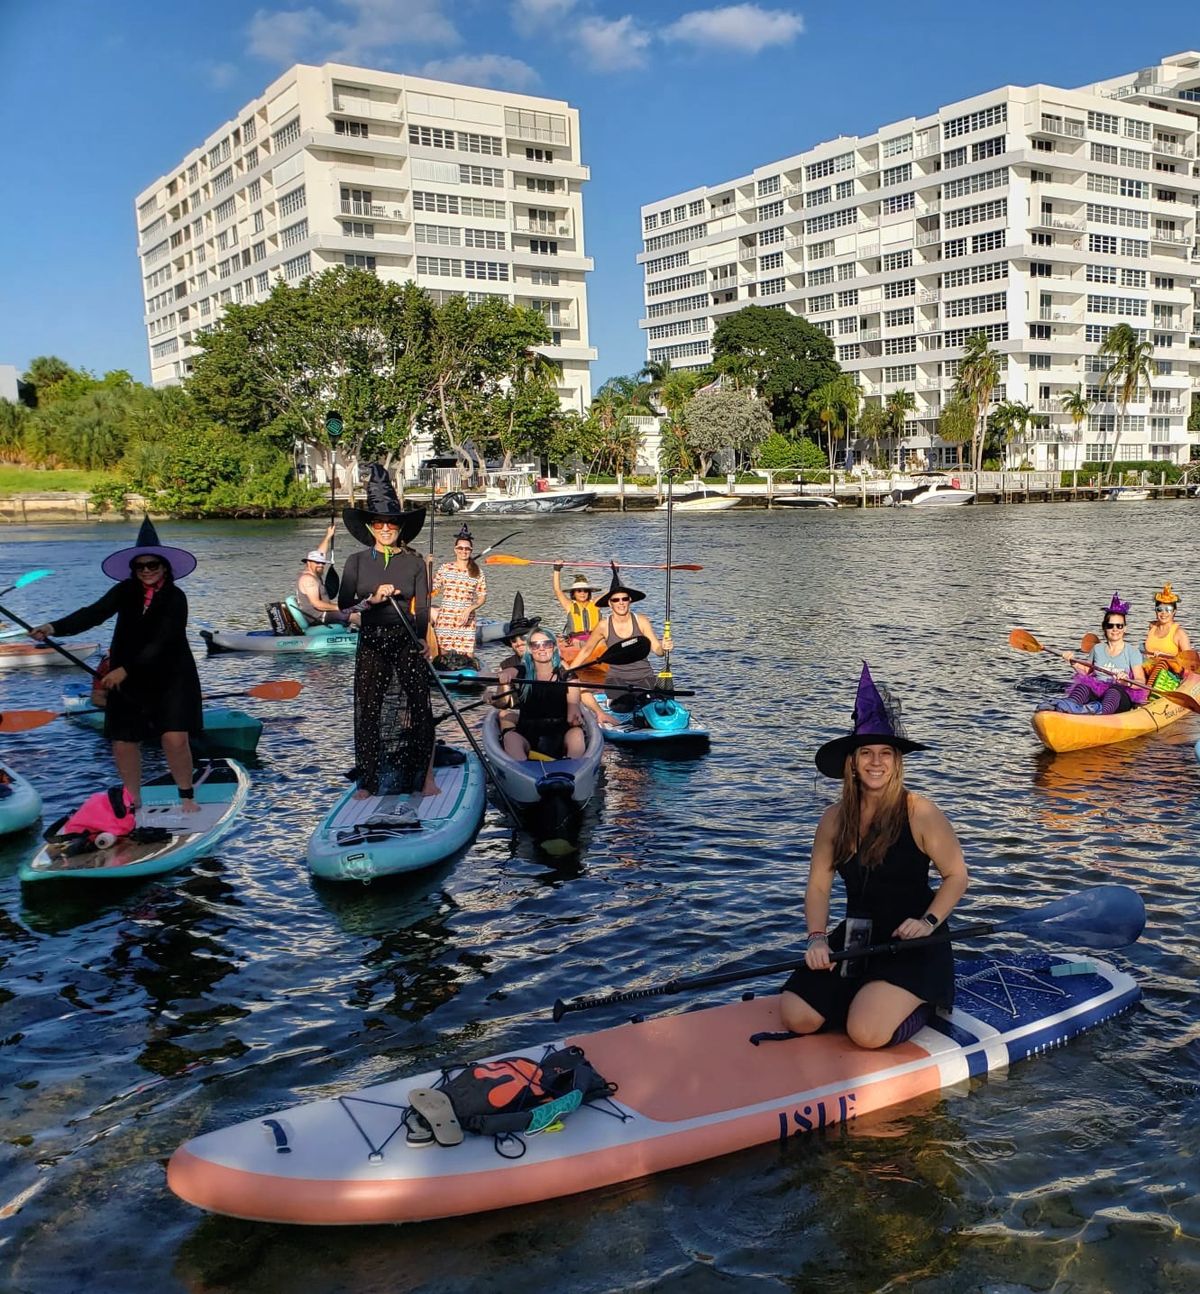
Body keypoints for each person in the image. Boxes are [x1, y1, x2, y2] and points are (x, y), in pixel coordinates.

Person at [779, 663, 969, 1050]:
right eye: (867, 752)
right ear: (852, 761)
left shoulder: (920, 812)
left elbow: (957, 875)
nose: (876, 762)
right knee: (796, 1015)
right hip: (857, 938)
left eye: (886, 753)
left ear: (897, 761)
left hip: (913, 941)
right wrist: (817, 939)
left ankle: (924, 1005)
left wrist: (928, 921)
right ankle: (863, 996)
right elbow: (818, 885)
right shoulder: (833, 819)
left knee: (864, 1034)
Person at [29, 517, 203, 816]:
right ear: (134, 569)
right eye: (141, 566)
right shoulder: (124, 591)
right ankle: (133, 799)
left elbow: (164, 639)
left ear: (165, 567)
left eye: (153, 565)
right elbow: (93, 614)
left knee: (174, 738)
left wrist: (126, 669)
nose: (147, 571)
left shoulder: (176, 598)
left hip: (171, 675)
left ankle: (186, 796)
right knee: (123, 740)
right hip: (127, 677)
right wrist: (53, 627)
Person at [337, 465, 436, 801]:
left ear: (400, 526)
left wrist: (423, 639)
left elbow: (421, 607)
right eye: (378, 523)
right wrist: (372, 600)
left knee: (419, 708)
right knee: (369, 710)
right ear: (369, 527)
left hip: (407, 641)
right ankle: (368, 780)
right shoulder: (355, 562)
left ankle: (424, 778)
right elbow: (344, 611)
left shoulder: (414, 562)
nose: (385, 528)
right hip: (372, 642)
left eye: (391, 523)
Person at [575, 564, 672, 726]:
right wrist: (567, 673)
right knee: (625, 706)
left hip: (644, 678)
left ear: (630, 600)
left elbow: (657, 649)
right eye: (616, 600)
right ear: (610, 604)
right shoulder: (604, 626)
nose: (621, 603)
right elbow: (585, 651)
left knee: (648, 705)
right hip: (617, 680)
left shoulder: (641, 620)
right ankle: (611, 704)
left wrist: (664, 647)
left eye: (624, 599)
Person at [498, 630, 586, 761]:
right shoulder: (521, 672)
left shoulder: (568, 676)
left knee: (577, 733)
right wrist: (505, 675)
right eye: (535, 645)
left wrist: (575, 718)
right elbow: (509, 671)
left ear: (554, 647)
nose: (541, 649)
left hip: (560, 736)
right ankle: (523, 770)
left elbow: (572, 711)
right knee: (510, 737)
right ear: (530, 650)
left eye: (546, 644)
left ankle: (573, 767)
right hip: (527, 736)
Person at [1056, 594, 1148, 715]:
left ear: (1125, 628)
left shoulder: (1132, 651)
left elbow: (1141, 681)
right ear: (1104, 628)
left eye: (1119, 626)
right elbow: (1086, 671)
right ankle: (1068, 706)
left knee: (1114, 691)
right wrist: (1072, 662)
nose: (1115, 629)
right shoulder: (1097, 649)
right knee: (1083, 686)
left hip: (1121, 694)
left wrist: (1127, 682)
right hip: (1098, 691)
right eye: (1110, 626)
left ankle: (1098, 712)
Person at [431, 523, 486, 667]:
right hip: (447, 618)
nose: (464, 551)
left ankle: (469, 673)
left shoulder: (477, 572)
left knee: (467, 654)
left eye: (467, 548)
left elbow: (482, 597)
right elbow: (432, 587)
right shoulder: (445, 568)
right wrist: (426, 565)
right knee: (444, 653)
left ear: (471, 550)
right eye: (460, 548)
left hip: (466, 619)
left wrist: (470, 609)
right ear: (455, 550)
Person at [295, 523, 356, 626]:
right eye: (317, 562)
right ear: (308, 563)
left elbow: (321, 552)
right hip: (317, 616)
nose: (320, 565)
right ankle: (371, 636)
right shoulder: (308, 579)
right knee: (354, 615)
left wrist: (328, 535)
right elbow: (317, 604)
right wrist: (339, 607)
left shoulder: (314, 573)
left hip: (323, 612)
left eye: (322, 563)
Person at [489, 592, 540, 709]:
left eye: (523, 638)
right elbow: (503, 702)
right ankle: (510, 728)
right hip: (518, 712)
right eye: (513, 640)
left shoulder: (545, 658)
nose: (519, 643)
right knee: (503, 714)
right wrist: (491, 698)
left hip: (545, 711)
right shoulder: (505, 665)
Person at [1143, 583, 1192, 691]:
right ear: (1156, 610)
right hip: (1149, 669)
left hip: (1170, 675)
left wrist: (1166, 656)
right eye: (1160, 609)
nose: (1163, 613)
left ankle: (1145, 698)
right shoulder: (1152, 627)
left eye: (1168, 609)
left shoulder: (1179, 633)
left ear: (1174, 611)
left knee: (1162, 664)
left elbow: (1190, 662)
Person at [552, 568, 601, 653]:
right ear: (573, 593)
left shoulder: (596, 603)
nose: (582, 593)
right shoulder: (569, 605)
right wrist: (557, 569)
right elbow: (557, 590)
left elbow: (613, 592)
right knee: (577, 643)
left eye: (585, 591)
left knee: (600, 642)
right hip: (576, 640)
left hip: (594, 638)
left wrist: (615, 571)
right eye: (579, 591)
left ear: (589, 593)